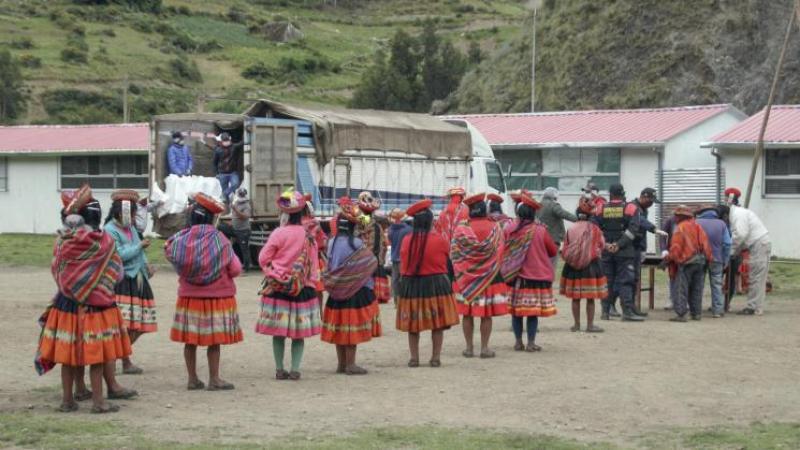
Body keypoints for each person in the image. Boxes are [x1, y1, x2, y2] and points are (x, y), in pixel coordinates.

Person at [36, 185, 133, 413]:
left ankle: (67, 400)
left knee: (68, 355)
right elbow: (117, 273)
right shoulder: (105, 242)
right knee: (97, 356)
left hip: (66, 306)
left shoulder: (62, 241)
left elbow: (56, 269)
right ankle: (99, 402)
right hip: (98, 308)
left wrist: (72, 286)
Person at [166, 193, 243, 391]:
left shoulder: (180, 239)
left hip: (189, 298)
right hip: (217, 298)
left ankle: (192, 379)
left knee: (190, 341)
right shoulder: (221, 240)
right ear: (211, 219)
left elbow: (170, 253)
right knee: (214, 341)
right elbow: (235, 269)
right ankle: (214, 379)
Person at [255, 189, 321, 380]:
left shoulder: (278, 233)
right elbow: (313, 265)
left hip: (278, 289)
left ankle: (279, 369)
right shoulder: (309, 236)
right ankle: (295, 369)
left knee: (279, 332)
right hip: (302, 289)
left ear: (284, 213)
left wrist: (273, 273)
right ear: (302, 212)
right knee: (298, 335)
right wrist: (311, 284)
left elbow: (263, 258)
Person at [396, 199, 460, 367]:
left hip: (412, 284)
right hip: (436, 284)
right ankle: (435, 358)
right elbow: (447, 259)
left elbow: (403, 265)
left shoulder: (407, 240)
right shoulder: (440, 240)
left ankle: (414, 358)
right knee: (437, 324)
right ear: (431, 222)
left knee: (413, 325)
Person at [321, 201, 381, 375]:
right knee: (351, 327)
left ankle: (341, 364)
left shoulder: (331, 242)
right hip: (355, 290)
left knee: (339, 327)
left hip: (336, 291)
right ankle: (351, 364)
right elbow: (371, 262)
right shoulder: (357, 243)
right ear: (353, 226)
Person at [105, 189, 157, 374]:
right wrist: (139, 246)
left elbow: (139, 252)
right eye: (133, 214)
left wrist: (147, 266)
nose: (135, 218)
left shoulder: (130, 229)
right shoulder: (109, 230)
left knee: (139, 324)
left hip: (138, 279)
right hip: (123, 281)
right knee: (125, 324)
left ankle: (120, 356)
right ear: (123, 213)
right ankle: (120, 359)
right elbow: (118, 255)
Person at [451, 193, 509, 359]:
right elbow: (501, 251)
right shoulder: (495, 228)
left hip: (465, 278)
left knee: (467, 314)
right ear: (485, 210)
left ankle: (469, 348)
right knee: (486, 314)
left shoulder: (461, 229)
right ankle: (484, 348)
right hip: (490, 277)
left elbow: (454, 254)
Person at [501, 192, 558, 351]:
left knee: (516, 312)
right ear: (533, 214)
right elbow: (553, 251)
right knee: (532, 313)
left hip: (515, 278)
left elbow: (503, 249)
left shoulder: (509, 229)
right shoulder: (540, 230)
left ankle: (518, 342)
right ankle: (531, 343)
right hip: (536, 278)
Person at [595, 183, 644, 322]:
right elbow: (633, 230)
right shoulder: (631, 208)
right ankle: (627, 312)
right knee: (625, 281)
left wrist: (606, 244)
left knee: (607, 281)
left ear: (610, 194)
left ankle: (605, 312)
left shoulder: (600, 208)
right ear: (623, 194)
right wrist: (619, 244)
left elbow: (594, 230)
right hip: (624, 251)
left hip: (606, 252)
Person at [560, 198, 607, 333]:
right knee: (590, 298)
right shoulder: (595, 229)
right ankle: (590, 325)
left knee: (575, 298)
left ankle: (576, 325)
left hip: (572, 267)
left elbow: (566, 246)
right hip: (591, 266)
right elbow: (602, 245)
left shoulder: (571, 229)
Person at [721, 201, 771, 316]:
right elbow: (742, 238)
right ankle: (757, 307)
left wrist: (731, 251)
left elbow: (740, 235)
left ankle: (752, 307)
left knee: (756, 277)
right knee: (758, 277)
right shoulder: (738, 213)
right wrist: (735, 251)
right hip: (760, 243)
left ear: (725, 215)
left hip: (759, 244)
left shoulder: (737, 215)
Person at [666, 206, 713, 322]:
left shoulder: (680, 228)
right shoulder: (697, 226)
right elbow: (706, 244)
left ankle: (681, 314)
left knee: (681, 288)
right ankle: (696, 313)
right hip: (700, 262)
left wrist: (669, 259)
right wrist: (708, 259)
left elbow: (676, 247)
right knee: (696, 289)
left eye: (676, 215)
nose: (675, 218)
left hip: (686, 262)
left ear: (681, 216)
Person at [626, 187, 668, 317]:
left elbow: (641, 232)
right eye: (650, 201)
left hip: (638, 247)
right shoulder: (632, 207)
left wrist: (643, 249)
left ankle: (632, 308)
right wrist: (654, 229)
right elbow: (641, 222)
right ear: (643, 197)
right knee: (627, 279)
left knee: (635, 279)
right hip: (629, 248)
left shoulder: (644, 209)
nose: (651, 204)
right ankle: (613, 307)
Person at [695, 207, 732, 318]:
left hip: (699, 258)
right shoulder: (722, 224)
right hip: (717, 258)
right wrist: (725, 259)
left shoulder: (696, 223)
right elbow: (727, 243)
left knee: (698, 284)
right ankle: (717, 311)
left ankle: (696, 310)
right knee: (717, 285)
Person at [356, 191, 391, 304]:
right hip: (376, 258)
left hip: (364, 259)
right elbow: (383, 245)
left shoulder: (360, 222)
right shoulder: (376, 225)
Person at [537, 187, 577, 271]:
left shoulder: (538, 205)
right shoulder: (553, 205)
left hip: (540, 238)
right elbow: (564, 214)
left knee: (542, 262)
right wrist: (578, 219)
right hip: (553, 239)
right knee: (552, 264)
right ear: (553, 196)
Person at [387, 208, 411, 302]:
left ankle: (396, 300)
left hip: (394, 257)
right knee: (404, 279)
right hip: (405, 258)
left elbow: (390, 240)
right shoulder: (408, 230)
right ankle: (404, 299)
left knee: (395, 280)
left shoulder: (390, 230)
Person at [212, 132, 244, 203]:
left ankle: (224, 194)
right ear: (222, 141)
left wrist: (247, 134)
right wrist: (216, 173)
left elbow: (242, 143)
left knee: (235, 184)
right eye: (225, 141)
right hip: (222, 174)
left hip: (233, 172)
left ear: (230, 140)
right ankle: (227, 205)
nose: (226, 143)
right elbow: (214, 162)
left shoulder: (234, 147)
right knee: (225, 193)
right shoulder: (218, 150)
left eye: (228, 141)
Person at [658, 213, 678, 310]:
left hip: (685, 254)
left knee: (685, 279)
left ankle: (684, 301)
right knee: (672, 277)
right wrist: (664, 250)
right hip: (672, 254)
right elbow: (662, 235)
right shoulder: (670, 220)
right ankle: (672, 300)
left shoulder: (690, 221)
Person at [230, 187, 252, 271]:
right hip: (236, 229)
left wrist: (235, 209)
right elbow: (234, 215)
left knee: (244, 249)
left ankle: (246, 267)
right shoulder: (236, 202)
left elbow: (245, 217)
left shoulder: (246, 205)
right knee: (221, 227)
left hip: (243, 230)